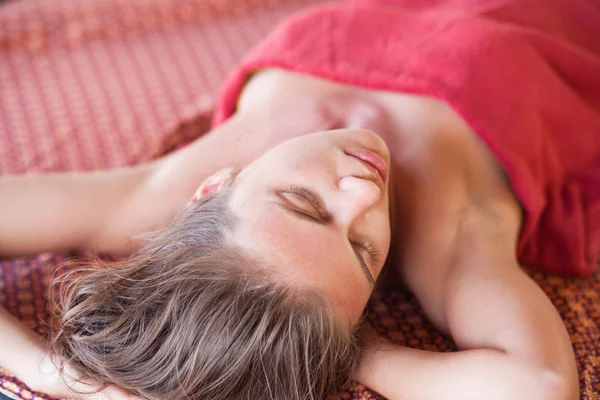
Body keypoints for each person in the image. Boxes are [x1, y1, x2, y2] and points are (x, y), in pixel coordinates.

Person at [1, 0, 599, 399]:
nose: (364, 194)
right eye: (364, 251)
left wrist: (51, 369)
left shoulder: (164, 191)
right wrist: (354, 352)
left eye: (303, 204)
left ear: (213, 188)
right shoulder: (452, 227)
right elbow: (538, 383)